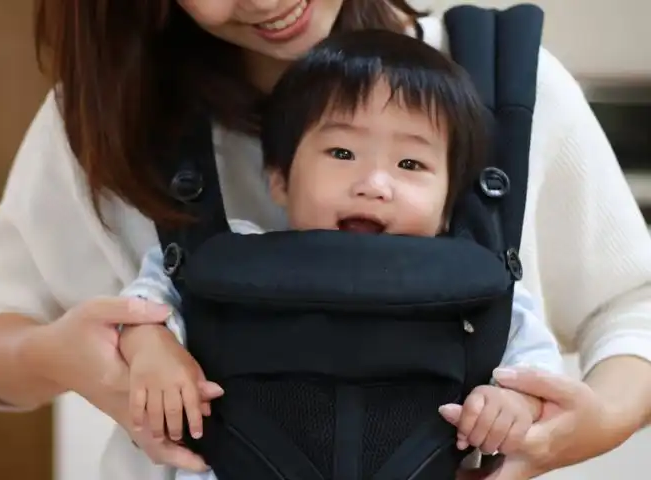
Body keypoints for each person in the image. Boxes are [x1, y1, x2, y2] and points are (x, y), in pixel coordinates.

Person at [0, 1, 651, 479]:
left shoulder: (503, 86)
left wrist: (601, 421)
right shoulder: (108, 115)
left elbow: (634, 306)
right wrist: (71, 359)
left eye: (410, 163)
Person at [116, 29, 565, 480]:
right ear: (279, 179)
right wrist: (152, 349)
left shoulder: (476, 286)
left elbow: (537, 367)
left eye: (410, 164)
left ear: (450, 203)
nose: (373, 184)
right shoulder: (227, 258)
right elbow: (140, 311)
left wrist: (513, 404)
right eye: (342, 152)